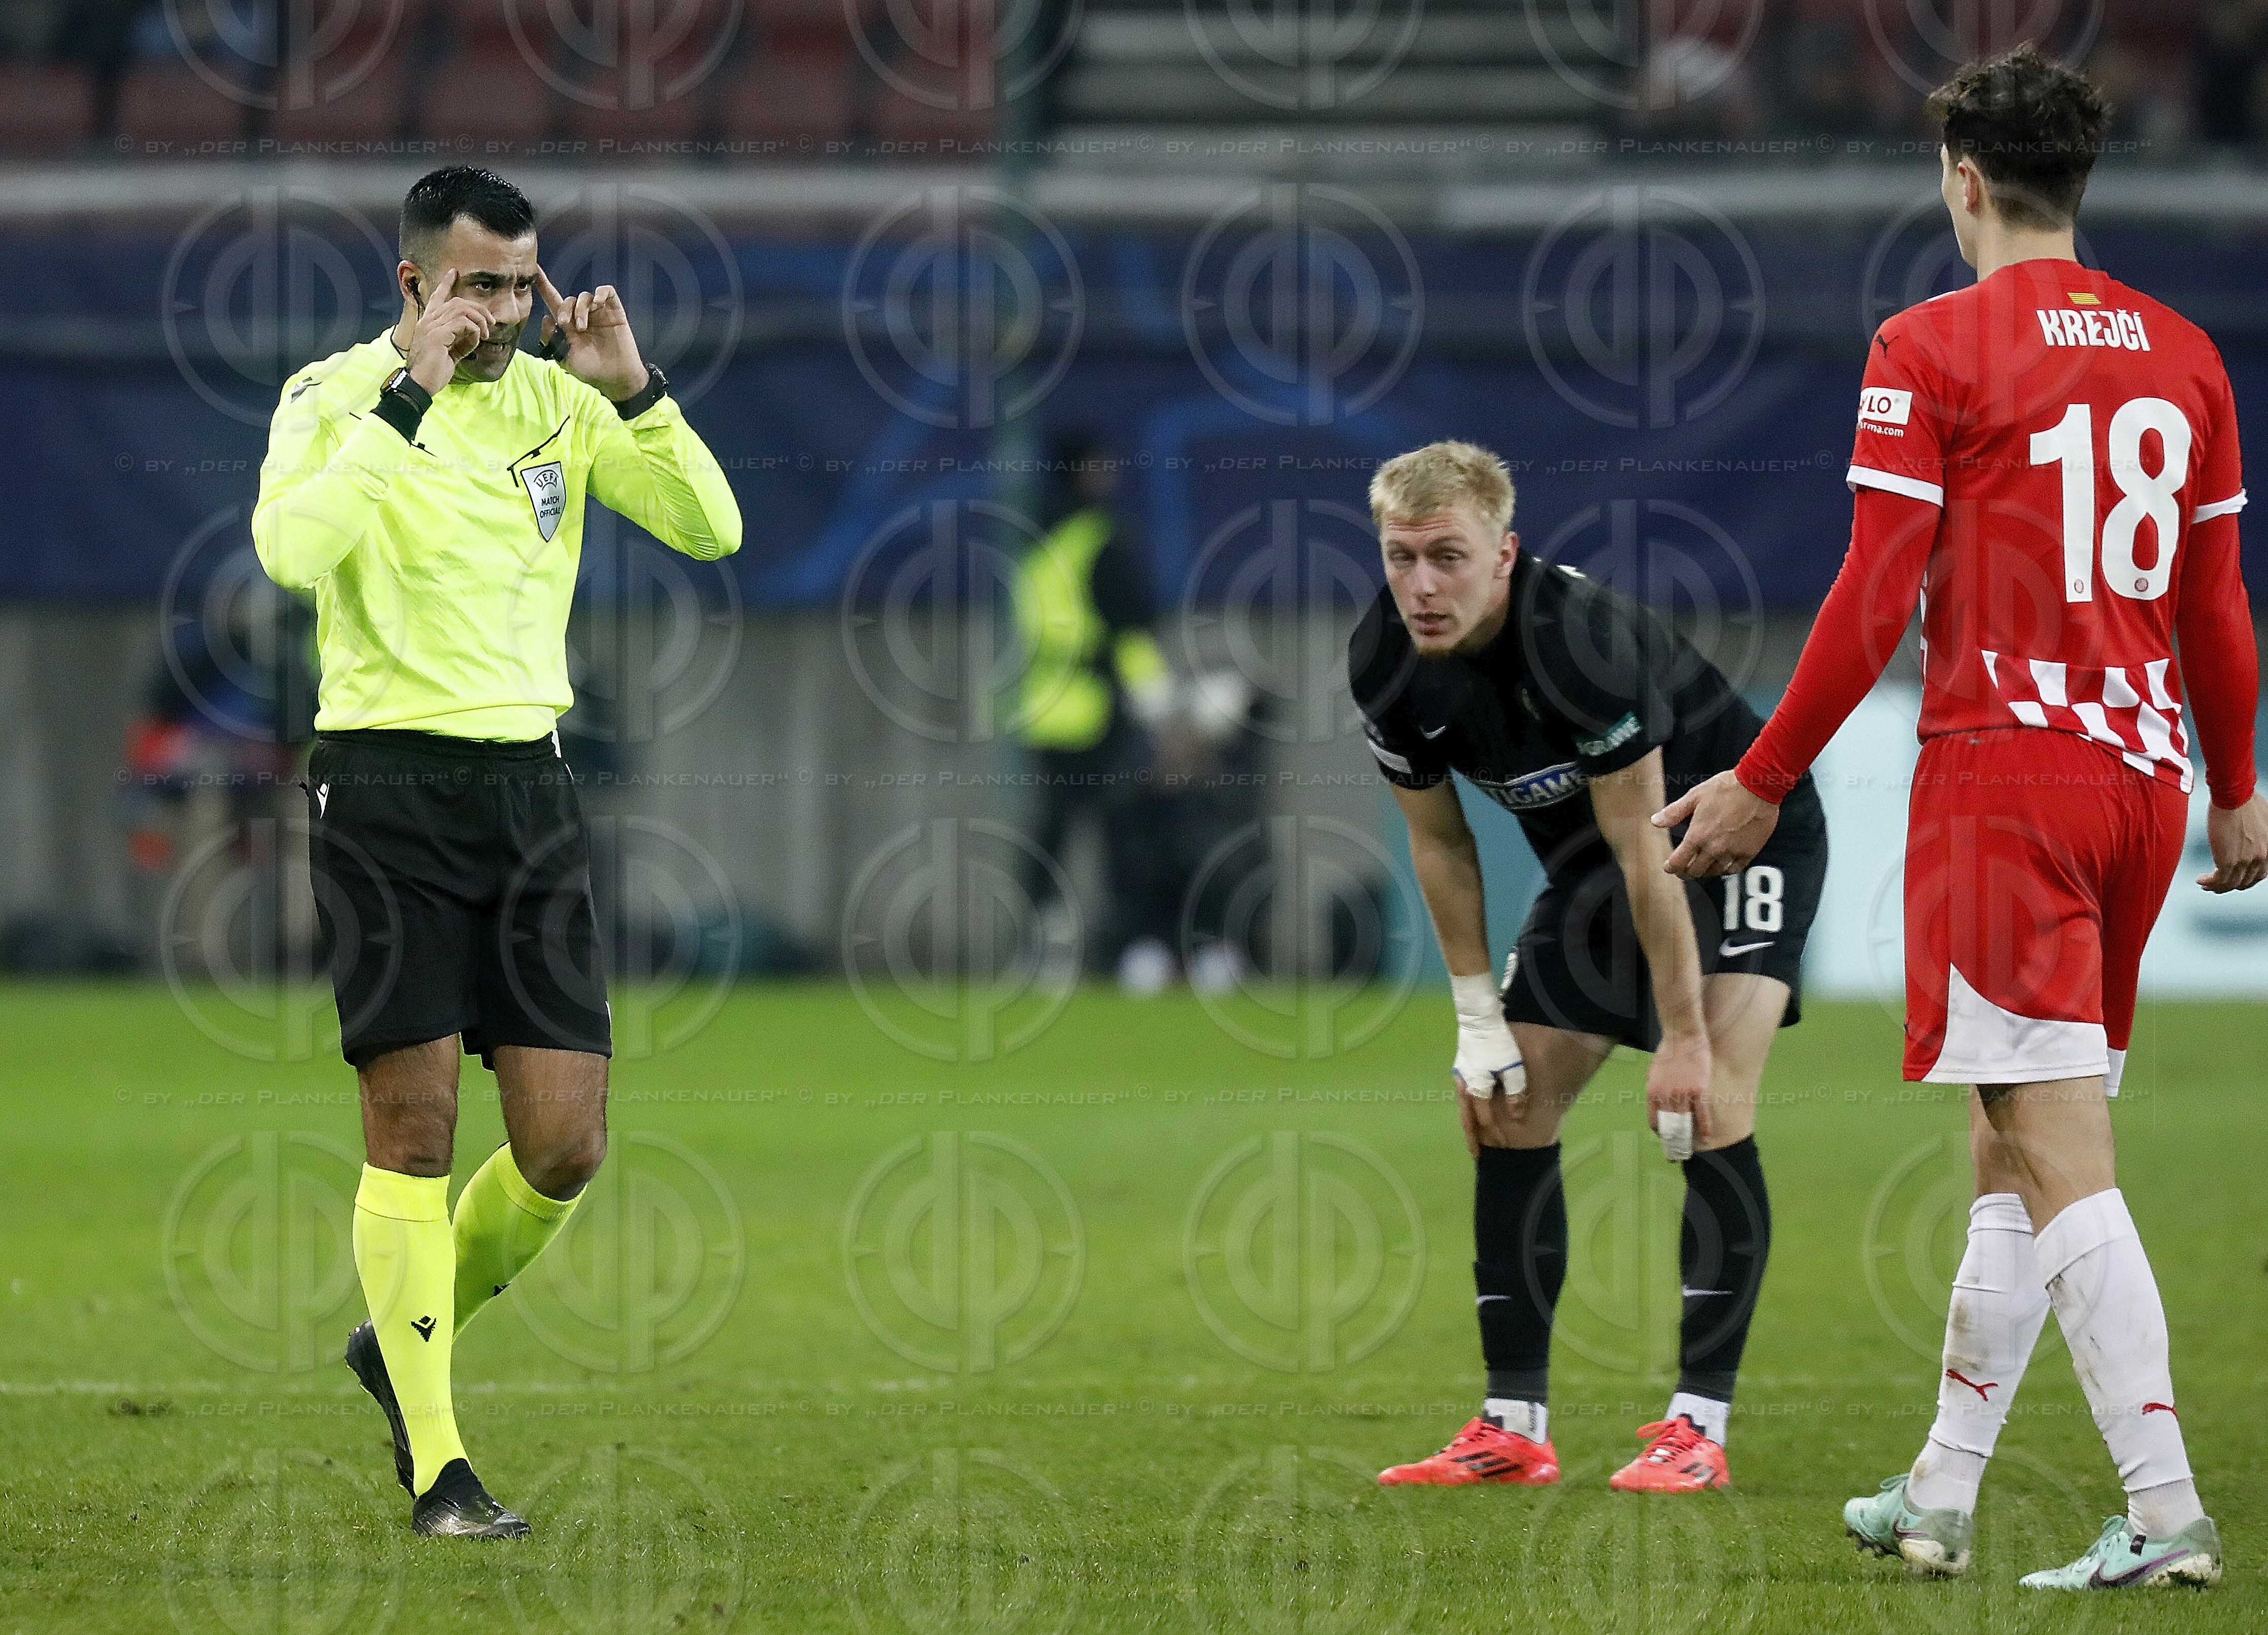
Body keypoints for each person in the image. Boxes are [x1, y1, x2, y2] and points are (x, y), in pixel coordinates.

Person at [1660, 47, 2265, 1589]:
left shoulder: (1925, 344)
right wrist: (2235, 785)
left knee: (2052, 1146)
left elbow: (1875, 589)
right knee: (2008, 1138)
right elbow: (2213, 605)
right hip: (2138, 785)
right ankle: (1936, 1492)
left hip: (2006, 781)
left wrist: (1762, 774)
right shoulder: (2185, 354)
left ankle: (2164, 1510)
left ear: (1964, 182)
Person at [251, 165, 742, 1537]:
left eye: (523, 284)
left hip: (528, 790)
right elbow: (291, 551)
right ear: (415, 284)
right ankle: (440, 1463)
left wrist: (633, 390)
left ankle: (395, 1337)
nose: (508, 311)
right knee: (411, 1129)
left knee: (566, 1143)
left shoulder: (558, 404)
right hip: (384, 784)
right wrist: (407, 394)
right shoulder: (331, 395)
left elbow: (712, 527)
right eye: (479, 285)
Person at [1350, 440, 1830, 1493]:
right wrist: (1477, 1021)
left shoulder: (1577, 645)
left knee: (1708, 1106)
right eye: (1400, 557)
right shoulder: (1384, 658)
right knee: (1505, 1106)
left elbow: (1651, 853)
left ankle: (1696, 1429)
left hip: (1740, 841)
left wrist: (1686, 1039)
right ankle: (1512, 1428)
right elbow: (1441, 844)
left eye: (1447, 557)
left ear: (1504, 553)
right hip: (1605, 871)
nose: (1422, 585)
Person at [1012, 433, 1174, 987]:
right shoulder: (1102, 540)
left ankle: (1041, 947)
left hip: (1045, 710)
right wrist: (1156, 697)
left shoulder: (1038, 544)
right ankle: (1125, 949)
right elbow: (1129, 627)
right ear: (1083, 471)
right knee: (1122, 836)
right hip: (1098, 711)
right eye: (1101, 464)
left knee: (1050, 836)